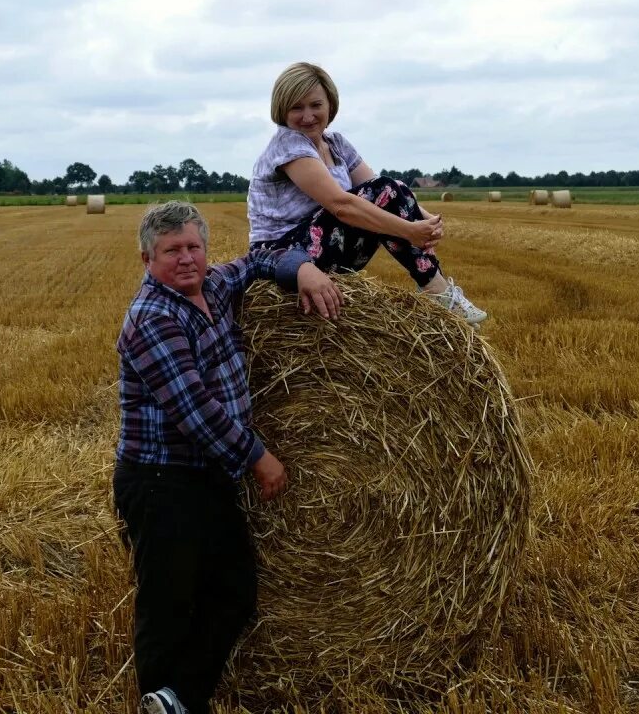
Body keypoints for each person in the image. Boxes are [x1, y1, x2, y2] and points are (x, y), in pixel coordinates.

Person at [113, 201, 341, 714]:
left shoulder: (214, 286)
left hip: (205, 477)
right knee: (168, 602)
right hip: (159, 481)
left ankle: (178, 699)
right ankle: (160, 697)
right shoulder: (151, 318)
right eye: (172, 250)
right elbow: (197, 411)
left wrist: (302, 268)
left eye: (194, 247)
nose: (187, 258)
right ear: (147, 258)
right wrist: (261, 458)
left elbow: (261, 260)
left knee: (235, 590)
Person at [247, 61, 488, 326]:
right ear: (282, 110)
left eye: (316, 105)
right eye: (297, 107)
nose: (307, 116)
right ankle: (438, 293)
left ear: (330, 104)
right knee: (383, 191)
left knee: (392, 187)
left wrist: (428, 222)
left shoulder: (335, 143)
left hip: (321, 247)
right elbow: (341, 205)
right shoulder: (288, 144)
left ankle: (438, 293)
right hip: (282, 256)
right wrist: (409, 231)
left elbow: (384, 189)